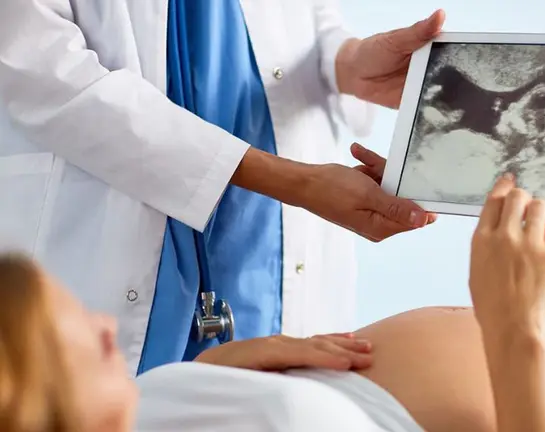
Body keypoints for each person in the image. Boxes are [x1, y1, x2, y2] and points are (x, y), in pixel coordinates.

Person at [2, 176, 545, 432]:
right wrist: (514, 335)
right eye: (82, 341)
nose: (109, 326)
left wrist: (216, 369)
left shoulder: (133, 410)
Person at [0, 1, 443, 375]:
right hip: (98, 241)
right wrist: (299, 182)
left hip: (270, 241)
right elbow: (43, 71)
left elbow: (309, 21)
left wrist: (348, 64)